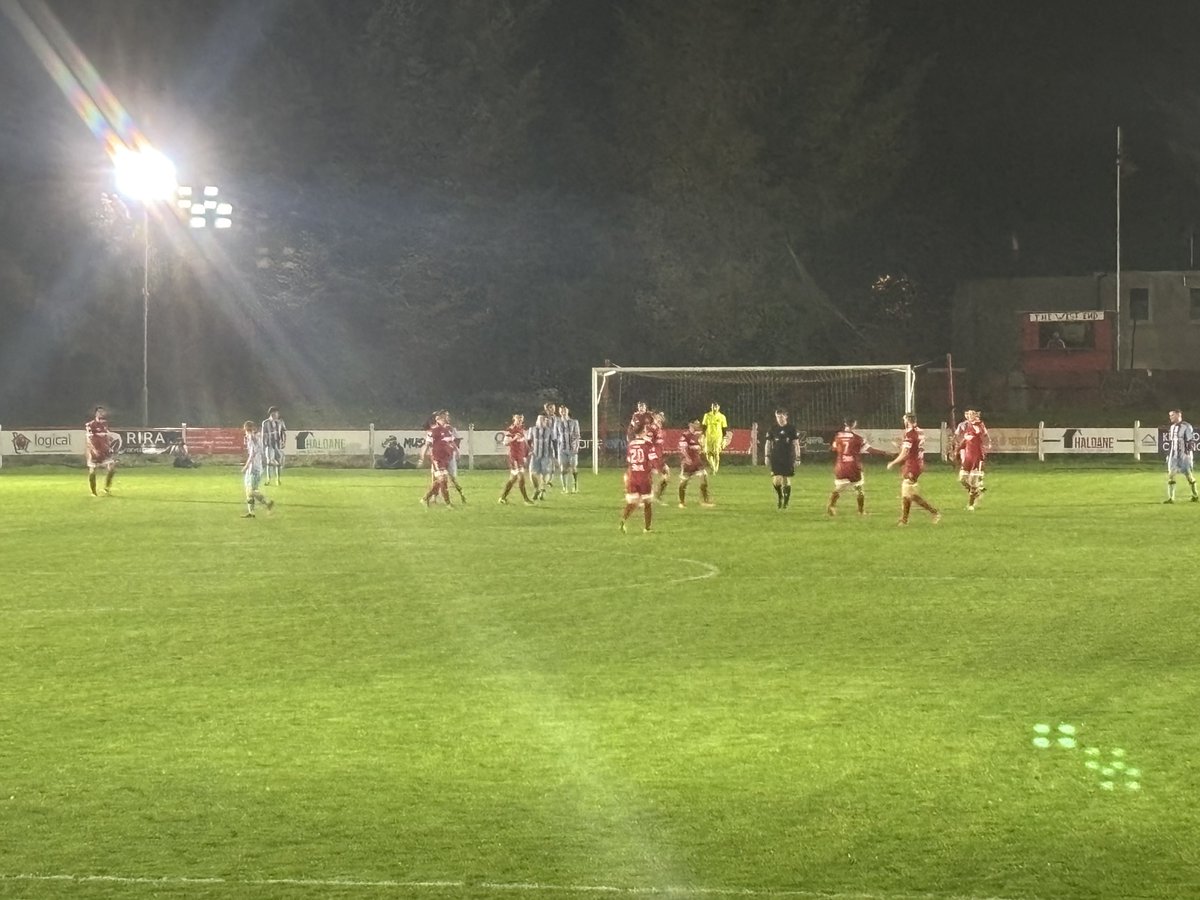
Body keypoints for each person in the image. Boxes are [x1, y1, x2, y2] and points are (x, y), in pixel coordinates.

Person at [886, 412, 941, 526]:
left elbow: (905, 453)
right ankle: (904, 520)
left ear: (907, 421)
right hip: (918, 463)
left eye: (904, 420)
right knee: (907, 494)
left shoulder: (910, 434)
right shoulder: (920, 431)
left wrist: (893, 462)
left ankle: (934, 512)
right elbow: (913, 448)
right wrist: (900, 445)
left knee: (910, 494)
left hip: (912, 465)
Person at [826, 417, 887, 516]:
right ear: (854, 425)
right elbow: (870, 450)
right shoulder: (858, 439)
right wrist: (884, 453)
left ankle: (831, 506)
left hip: (841, 466)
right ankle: (861, 511)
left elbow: (833, 448)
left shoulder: (838, 436)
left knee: (839, 488)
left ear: (845, 424)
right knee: (859, 489)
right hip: (853, 466)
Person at [620, 421, 662, 533]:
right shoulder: (647, 444)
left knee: (632, 502)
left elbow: (629, 460)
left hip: (633, 476)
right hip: (644, 477)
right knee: (647, 502)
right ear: (644, 431)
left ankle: (623, 521)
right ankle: (647, 528)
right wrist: (658, 469)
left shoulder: (631, 444)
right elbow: (653, 459)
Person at [418, 410, 458, 507]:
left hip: (445, 459)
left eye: (445, 418)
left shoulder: (447, 430)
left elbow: (451, 443)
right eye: (443, 418)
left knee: (440, 481)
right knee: (443, 480)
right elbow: (427, 445)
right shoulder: (432, 431)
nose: (445, 420)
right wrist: (422, 458)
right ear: (437, 419)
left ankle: (425, 499)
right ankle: (448, 504)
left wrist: (456, 451)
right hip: (437, 460)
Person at [954, 408, 991, 510]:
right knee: (962, 479)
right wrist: (956, 451)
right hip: (967, 458)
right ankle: (976, 492)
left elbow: (982, 433)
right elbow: (965, 441)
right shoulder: (967, 427)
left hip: (976, 458)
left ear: (975, 416)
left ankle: (970, 505)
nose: (969, 416)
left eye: (971, 414)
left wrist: (987, 444)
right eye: (968, 414)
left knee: (974, 481)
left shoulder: (979, 425)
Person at [763, 408, 800, 509]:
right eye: (778, 417)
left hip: (788, 457)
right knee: (776, 481)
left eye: (781, 417)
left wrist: (797, 457)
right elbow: (768, 443)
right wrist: (766, 456)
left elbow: (796, 444)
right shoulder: (773, 428)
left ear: (786, 416)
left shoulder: (791, 429)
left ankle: (785, 502)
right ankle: (780, 496)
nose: (779, 419)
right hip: (776, 457)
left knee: (785, 479)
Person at [241, 420, 275, 518]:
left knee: (251, 491)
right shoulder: (254, 437)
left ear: (246, 429)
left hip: (254, 468)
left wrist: (246, 466)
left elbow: (252, 454)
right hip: (256, 467)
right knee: (249, 491)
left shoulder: (252, 438)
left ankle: (267, 503)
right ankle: (251, 512)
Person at [1164, 408, 1199, 503]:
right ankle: (1171, 498)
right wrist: (1169, 454)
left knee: (1189, 476)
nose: (1170, 417)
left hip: (1184, 456)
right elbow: (1171, 442)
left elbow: (1190, 441)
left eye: (1172, 415)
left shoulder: (1186, 426)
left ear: (1178, 415)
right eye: (1170, 415)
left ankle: (1195, 495)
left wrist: (1188, 455)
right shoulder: (1172, 427)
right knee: (1171, 475)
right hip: (1173, 455)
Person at [677, 419, 714, 508]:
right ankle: (681, 502)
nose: (698, 425)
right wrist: (686, 458)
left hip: (697, 462)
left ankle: (705, 501)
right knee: (684, 482)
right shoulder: (685, 435)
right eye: (696, 423)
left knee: (704, 479)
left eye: (698, 423)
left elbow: (700, 447)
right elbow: (682, 449)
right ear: (690, 424)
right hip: (688, 463)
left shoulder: (698, 435)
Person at [498, 413, 534, 505]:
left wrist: (527, 453)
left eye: (521, 419)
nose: (520, 421)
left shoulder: (522, 429)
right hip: (514, 458)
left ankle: (502, 498)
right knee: (521, 477)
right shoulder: (510, 430)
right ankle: (526, 499)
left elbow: (524, 444)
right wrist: (514, 438)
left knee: (512, 479)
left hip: (520, 457)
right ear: (514, 419)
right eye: (518, 419)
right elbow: (505, 443)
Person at [85, 405, 117, 496]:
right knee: (92, 471)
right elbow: (90, 438)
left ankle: (107, 488)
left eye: (102, 412)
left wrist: (108, 442)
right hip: (94, 451)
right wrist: (94, 450)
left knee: (112, 468)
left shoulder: (105, 424)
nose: (101, 413)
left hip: (104, 450)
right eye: (99, 412)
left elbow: (106, 435)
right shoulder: (90, 424)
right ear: (95, 413)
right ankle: (93, 492)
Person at [527, 413, 556, 501]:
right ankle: (537, 489)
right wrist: (530, 450)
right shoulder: (532, 429)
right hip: (535, 455)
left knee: (544, 474)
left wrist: (554, 455)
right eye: (540, 419)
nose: (542, 421)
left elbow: (554, 442)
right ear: (537, 420)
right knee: (532, 473)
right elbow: (528, 441)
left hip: (546, 456)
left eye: (544, 419)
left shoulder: (549, 430)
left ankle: (542, 492)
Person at [556, 405, 581, 493]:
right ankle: (564, 488)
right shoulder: (558, 423)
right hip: (562, 449)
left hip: (572, 449)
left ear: (567, 411)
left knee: (573, 468)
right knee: (563, 468)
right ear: (559, 412)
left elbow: (577, 435)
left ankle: (575, 486)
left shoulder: (574, 422)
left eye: (564, 410)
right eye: (561, 410)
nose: (563, 411)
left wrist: (576, 447)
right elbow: (556, 435)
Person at [261, 406, 287, 485]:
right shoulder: (265, 423)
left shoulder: (280, 422)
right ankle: (268, 479)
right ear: (271, 414)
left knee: (278, 461)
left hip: (277, 444)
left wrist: (284, 441)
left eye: (277, 413)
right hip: (269, 444)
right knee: (269, 462)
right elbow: (263, 434)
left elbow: (283, 432)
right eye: (275, 413)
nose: (277, 414)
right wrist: (263, 444)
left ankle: (278, 479)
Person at [649, 410, 671, 501]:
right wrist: (652, 454)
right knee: (663, 473)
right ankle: (654, 495)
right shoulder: (652, 428)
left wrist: (663, 451)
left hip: (659, 456)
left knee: (665, 473)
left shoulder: (659, 428)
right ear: (655, 417)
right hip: (654, 457)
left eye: (662, 416)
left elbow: (659, 443)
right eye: (659, 416)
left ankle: (656, 494)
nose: (662, 417)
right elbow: (648, 442)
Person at [701, 401, 729, 473]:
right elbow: (704, 427)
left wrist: (724, 439)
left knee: (716, 452)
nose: (715, 408)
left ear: (719, 407)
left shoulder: (722, 417)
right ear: (711, 407)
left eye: (716, 406)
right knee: (708, 453)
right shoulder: (707, 415)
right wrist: (703, 436)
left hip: (717, 437)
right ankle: (713, 467)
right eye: (713, 406)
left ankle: (716, 469)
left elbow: (724, 429)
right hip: (709, 437)